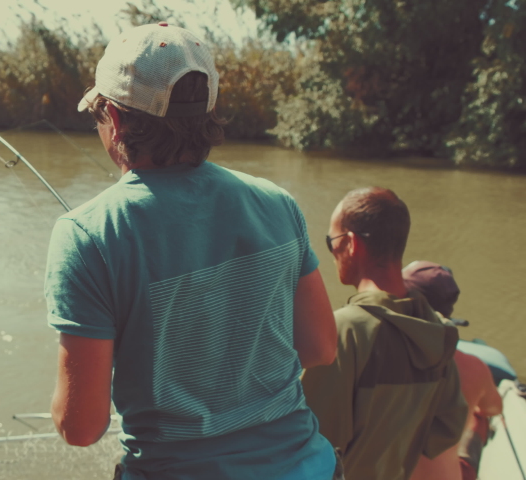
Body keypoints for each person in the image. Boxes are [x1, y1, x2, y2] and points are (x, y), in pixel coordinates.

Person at [44, 23, 340, 480]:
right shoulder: (278, 204)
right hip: (308, 468)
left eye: (100, 115)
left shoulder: (86, 235)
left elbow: (81, 428)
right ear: (208, 111)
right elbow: (321, 347)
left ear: (117, 121)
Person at [301, 187, 468, 480]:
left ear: (351, 243)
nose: (332, 252)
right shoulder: (437, 334)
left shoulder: (345, 331)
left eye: (332, 241)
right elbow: (444, 433)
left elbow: (307, 439)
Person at [403, 261, 503, 480]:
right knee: (480, 417)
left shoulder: (378, 353)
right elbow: (494, 408)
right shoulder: (473, 367)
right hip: (447, 475)